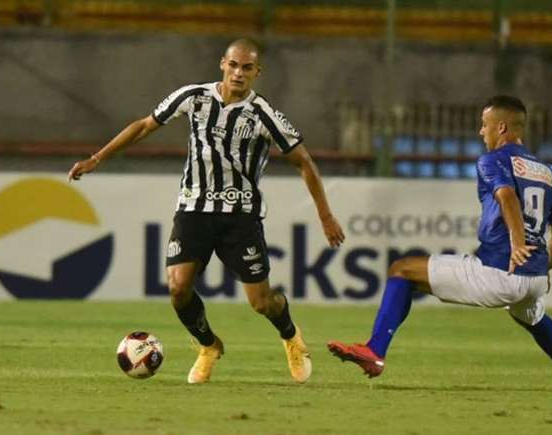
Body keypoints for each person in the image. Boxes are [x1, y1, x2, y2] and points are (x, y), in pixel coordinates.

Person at [69, 38, 345, 384]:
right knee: (177, 287)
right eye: (233, 65)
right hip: (194, 209)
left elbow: (303, 161)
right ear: (222, 64)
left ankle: (289, 334)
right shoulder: (193, 97)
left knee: (261, 303)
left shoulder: (264, 115)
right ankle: (208, 345)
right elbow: (144, 125)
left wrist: (325, 216)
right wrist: (98, 158)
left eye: (247, 68)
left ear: (257, 72)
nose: (238, 73)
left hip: (240, 217)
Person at [327, 95, 552, 390]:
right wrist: (542, 266)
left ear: (501, 127)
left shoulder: (493, 160)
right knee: (531, 315)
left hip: (499, 271)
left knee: (402, 269)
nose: (481, 132)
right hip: (534, 278)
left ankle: (375, 351)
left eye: (484, 125)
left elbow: (506, 197)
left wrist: (517, 246)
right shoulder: (547, 174)